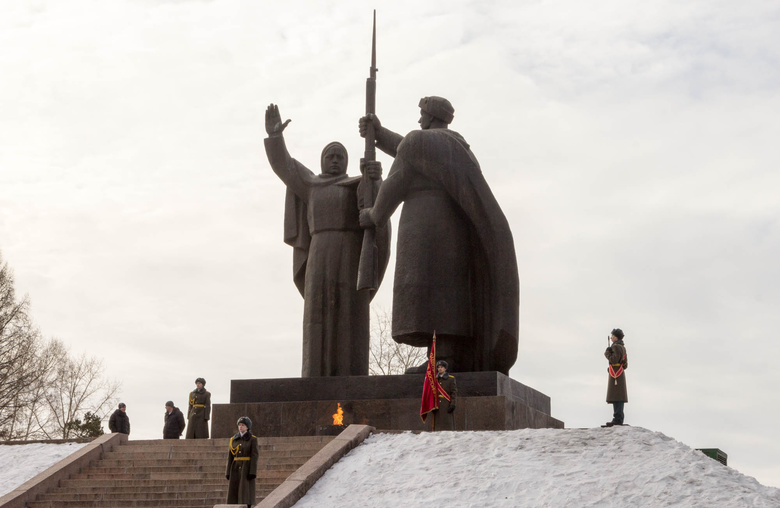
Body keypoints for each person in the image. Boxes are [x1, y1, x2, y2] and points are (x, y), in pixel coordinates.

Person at [358, 97, 519, 374]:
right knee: (447, 293)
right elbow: (406, 147)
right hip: (455, 230)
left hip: (425, 227)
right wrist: (379, 133)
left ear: (431, 117)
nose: (420, 120)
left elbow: (397, 178)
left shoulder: (418, 143)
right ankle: (444, 357)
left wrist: (374, 215)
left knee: (430, 293)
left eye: (422, 115)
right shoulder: (457, 148)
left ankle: (441, 359)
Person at [264, 103, 390, 377]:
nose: (335, 160)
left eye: (340, 156)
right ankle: (314, 375)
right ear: (322, 160)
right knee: (317, 317)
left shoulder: (358, 184)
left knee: (349, 316)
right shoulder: (310, 184)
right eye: (330, 156)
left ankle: (352, 374)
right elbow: (284, 166)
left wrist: (375, 179)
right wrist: (275, 138)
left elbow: (379, 209)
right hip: (319, 255)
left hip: (350, 255)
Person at [225, 416, 259, 508]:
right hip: (235, 468)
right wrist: (228, 472)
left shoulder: (252, 439)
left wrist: (252, 472)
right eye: (239, 425)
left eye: (243, 425)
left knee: (245, 493)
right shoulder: (233, 439)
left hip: (246, 468)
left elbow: (254, 456)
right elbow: (230, 457)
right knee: (234, 493)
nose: (240, 427)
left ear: (247, 427)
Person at [604, 328, 628, 427]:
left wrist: (607, 353)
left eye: (613, 335)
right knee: (618, 397)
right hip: (620, 373)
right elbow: (625, 365)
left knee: (616, 397)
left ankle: (617, 419)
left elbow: (613, 360)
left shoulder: (616, 347)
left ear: (616, 337)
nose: (612, 337)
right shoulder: (623, 347)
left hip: (615, 375)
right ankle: (618, 418)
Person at [431, 360, 457, 431]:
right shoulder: (434, 379)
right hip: (437, 406)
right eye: (438, 367)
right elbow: (432, 393)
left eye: (441, 367)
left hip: (446, 404)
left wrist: (452, 404)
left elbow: (453, 393)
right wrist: (432, 405)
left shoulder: (451, 379)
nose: (439, 369)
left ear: (445, 368)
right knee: (437, 428)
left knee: (447, 426)